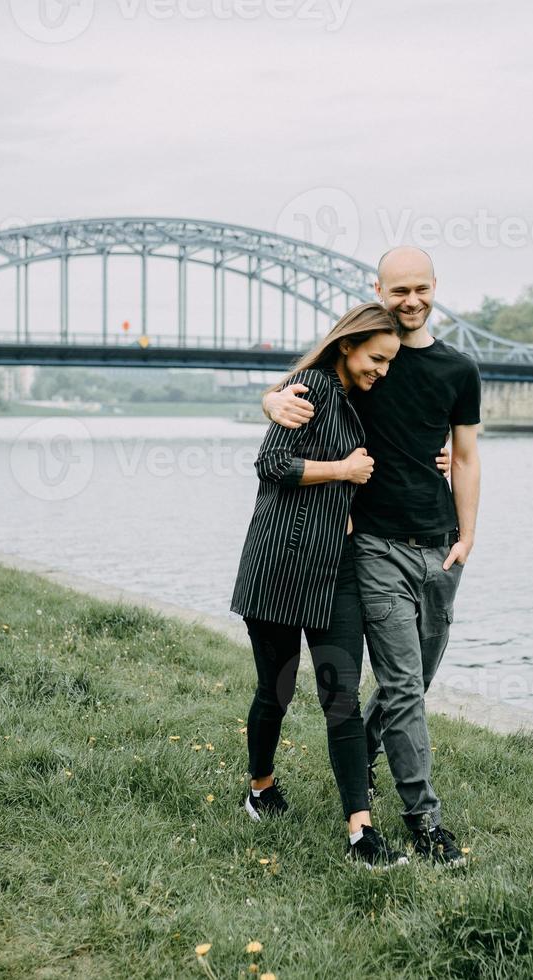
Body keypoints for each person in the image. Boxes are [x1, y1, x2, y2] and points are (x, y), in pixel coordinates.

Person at [262, 246, 482, 867]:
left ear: (436, 287)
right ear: (378, 289)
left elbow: (464, 457)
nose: (411, 300)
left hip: (440, 548)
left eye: (422, 289)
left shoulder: (459, 370)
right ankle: (425, 821)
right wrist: (268, 399)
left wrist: (467, 536)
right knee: (404, 684)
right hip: (375, 547)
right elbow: (297, 384)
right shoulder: (362, 361)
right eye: (399, 289)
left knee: (415, 682)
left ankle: (365, 756)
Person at [230, 302, 409, 868]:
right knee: (276, 689)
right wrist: (342, 470)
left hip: (337, 570)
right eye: (376, 358)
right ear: (347, 346)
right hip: (280, 563)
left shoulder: (360, 399)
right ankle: (260, 789)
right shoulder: (307, 388)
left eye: (388, 362)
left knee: (342, 700)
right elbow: (272, 464)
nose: (381, 369)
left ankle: (361, 833)